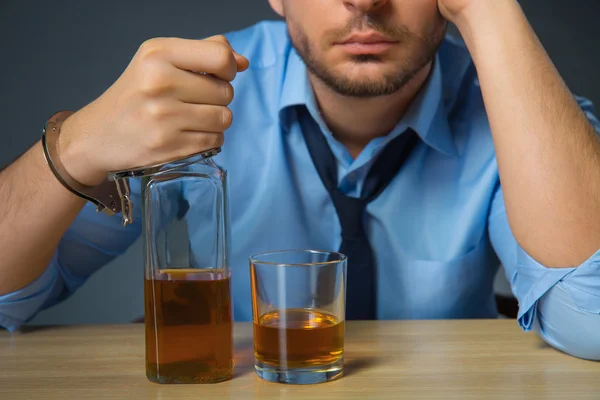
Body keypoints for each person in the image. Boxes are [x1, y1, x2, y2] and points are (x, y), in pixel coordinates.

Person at [1, 0, 599, 359]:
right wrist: (75, 145)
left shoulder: (516, 108)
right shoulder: (185, 94)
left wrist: (488, 11)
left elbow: (593, 322)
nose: (364, 0)